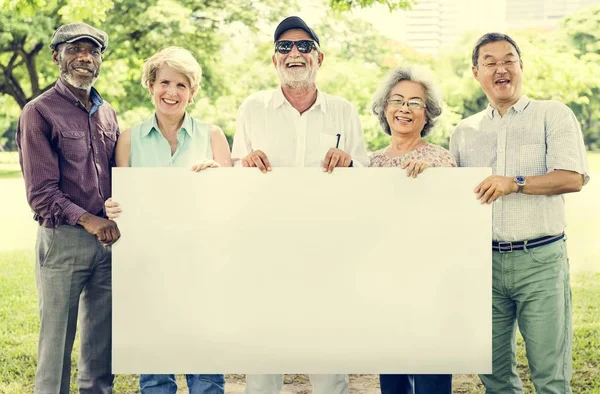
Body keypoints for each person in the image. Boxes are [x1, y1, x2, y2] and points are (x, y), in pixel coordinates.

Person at [231, 16, 369, 394]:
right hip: (265, 249)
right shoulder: (252, 109)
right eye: (285, 47)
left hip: (327, 250)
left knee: (327, 360)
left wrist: (350, 163)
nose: (294, 53)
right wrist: (243, 164)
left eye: (304, 46)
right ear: (274, 59)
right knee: (262, 356)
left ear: (319, 58)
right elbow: (233, 178)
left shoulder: (344, 111)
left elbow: (367, 177)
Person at [450, 32, 590, 393]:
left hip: (540, 261)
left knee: (550, 376)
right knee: (494, 376)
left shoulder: (552, 114)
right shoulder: (463, 132)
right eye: (490, 62)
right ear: (475, 72)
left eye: (509, 59)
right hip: (484, 267)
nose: (501, 68)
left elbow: (573, 178)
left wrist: (516, 182)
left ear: (521, 66)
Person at [105, 47, 230, 394]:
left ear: (192, 92)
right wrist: (114, 207)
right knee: (156, 372)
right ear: (150, 85)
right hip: (149, 268)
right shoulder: (128, 139)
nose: (171, 92)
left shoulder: (213, 136)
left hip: (202, 266)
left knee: (205, 371)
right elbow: (122, 203)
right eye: (164, 82)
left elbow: (232, 207)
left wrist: (220, 177)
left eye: (181, 85)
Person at [16, 23, 120, 393]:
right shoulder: (39, 112)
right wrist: (89, 220)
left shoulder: (108, 113)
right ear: (56, 55)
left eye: (93, 51)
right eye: (75, 49)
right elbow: (41, 193)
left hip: (108, 245)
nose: (84, 57)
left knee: (101, 345)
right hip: (63, 241)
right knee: (56, 342)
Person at [370, 66, 454, 394]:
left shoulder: (441, 159)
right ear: (385, 108)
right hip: (385, 284)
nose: (405, 108)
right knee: (393, 379)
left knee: (431, 376)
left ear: (427, 113)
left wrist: (432, 179)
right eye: (397, 100)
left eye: (415, 103)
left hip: (431, 285)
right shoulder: (371, 163)